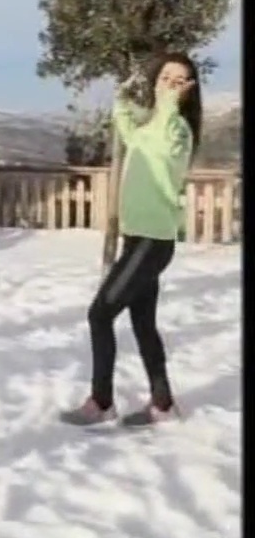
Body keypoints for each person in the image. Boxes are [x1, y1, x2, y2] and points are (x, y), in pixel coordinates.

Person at [61, 52, 203, 428]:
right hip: (136, 238)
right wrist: (123, 97)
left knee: (100, 313)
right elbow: (128, 127)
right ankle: (163, 403)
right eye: (166, 78)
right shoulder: (149, 125)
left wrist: (167, 106)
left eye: (179, 81)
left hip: (153, 241)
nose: (170, 85)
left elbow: (164, 149)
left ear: (189, 90)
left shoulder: (178, 131)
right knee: (143, 323)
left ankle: (101, 401)